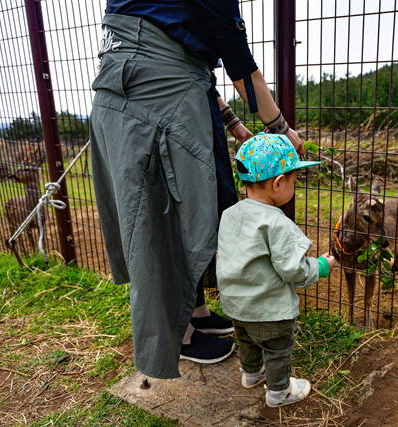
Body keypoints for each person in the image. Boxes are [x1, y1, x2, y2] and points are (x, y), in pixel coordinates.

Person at [89, 1, 304, 379]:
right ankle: (180, 335)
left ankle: (195, 311)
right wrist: (281, 128)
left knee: (201, 202)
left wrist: (232, 122)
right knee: (165, 213)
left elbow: (190, 53)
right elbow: (240, 65)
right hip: (150, 101)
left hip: (148, 86)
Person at [216, 133, 336, 407]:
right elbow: (295, 270)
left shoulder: (230, 214)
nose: (294, 187)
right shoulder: (276, 223)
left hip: (236, 306)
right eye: (293, 181)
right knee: (277, 348)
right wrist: (321, 266)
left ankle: (251, 374)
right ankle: (279, 391)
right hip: (268, 310)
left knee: (247, 342)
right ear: (278, 183)